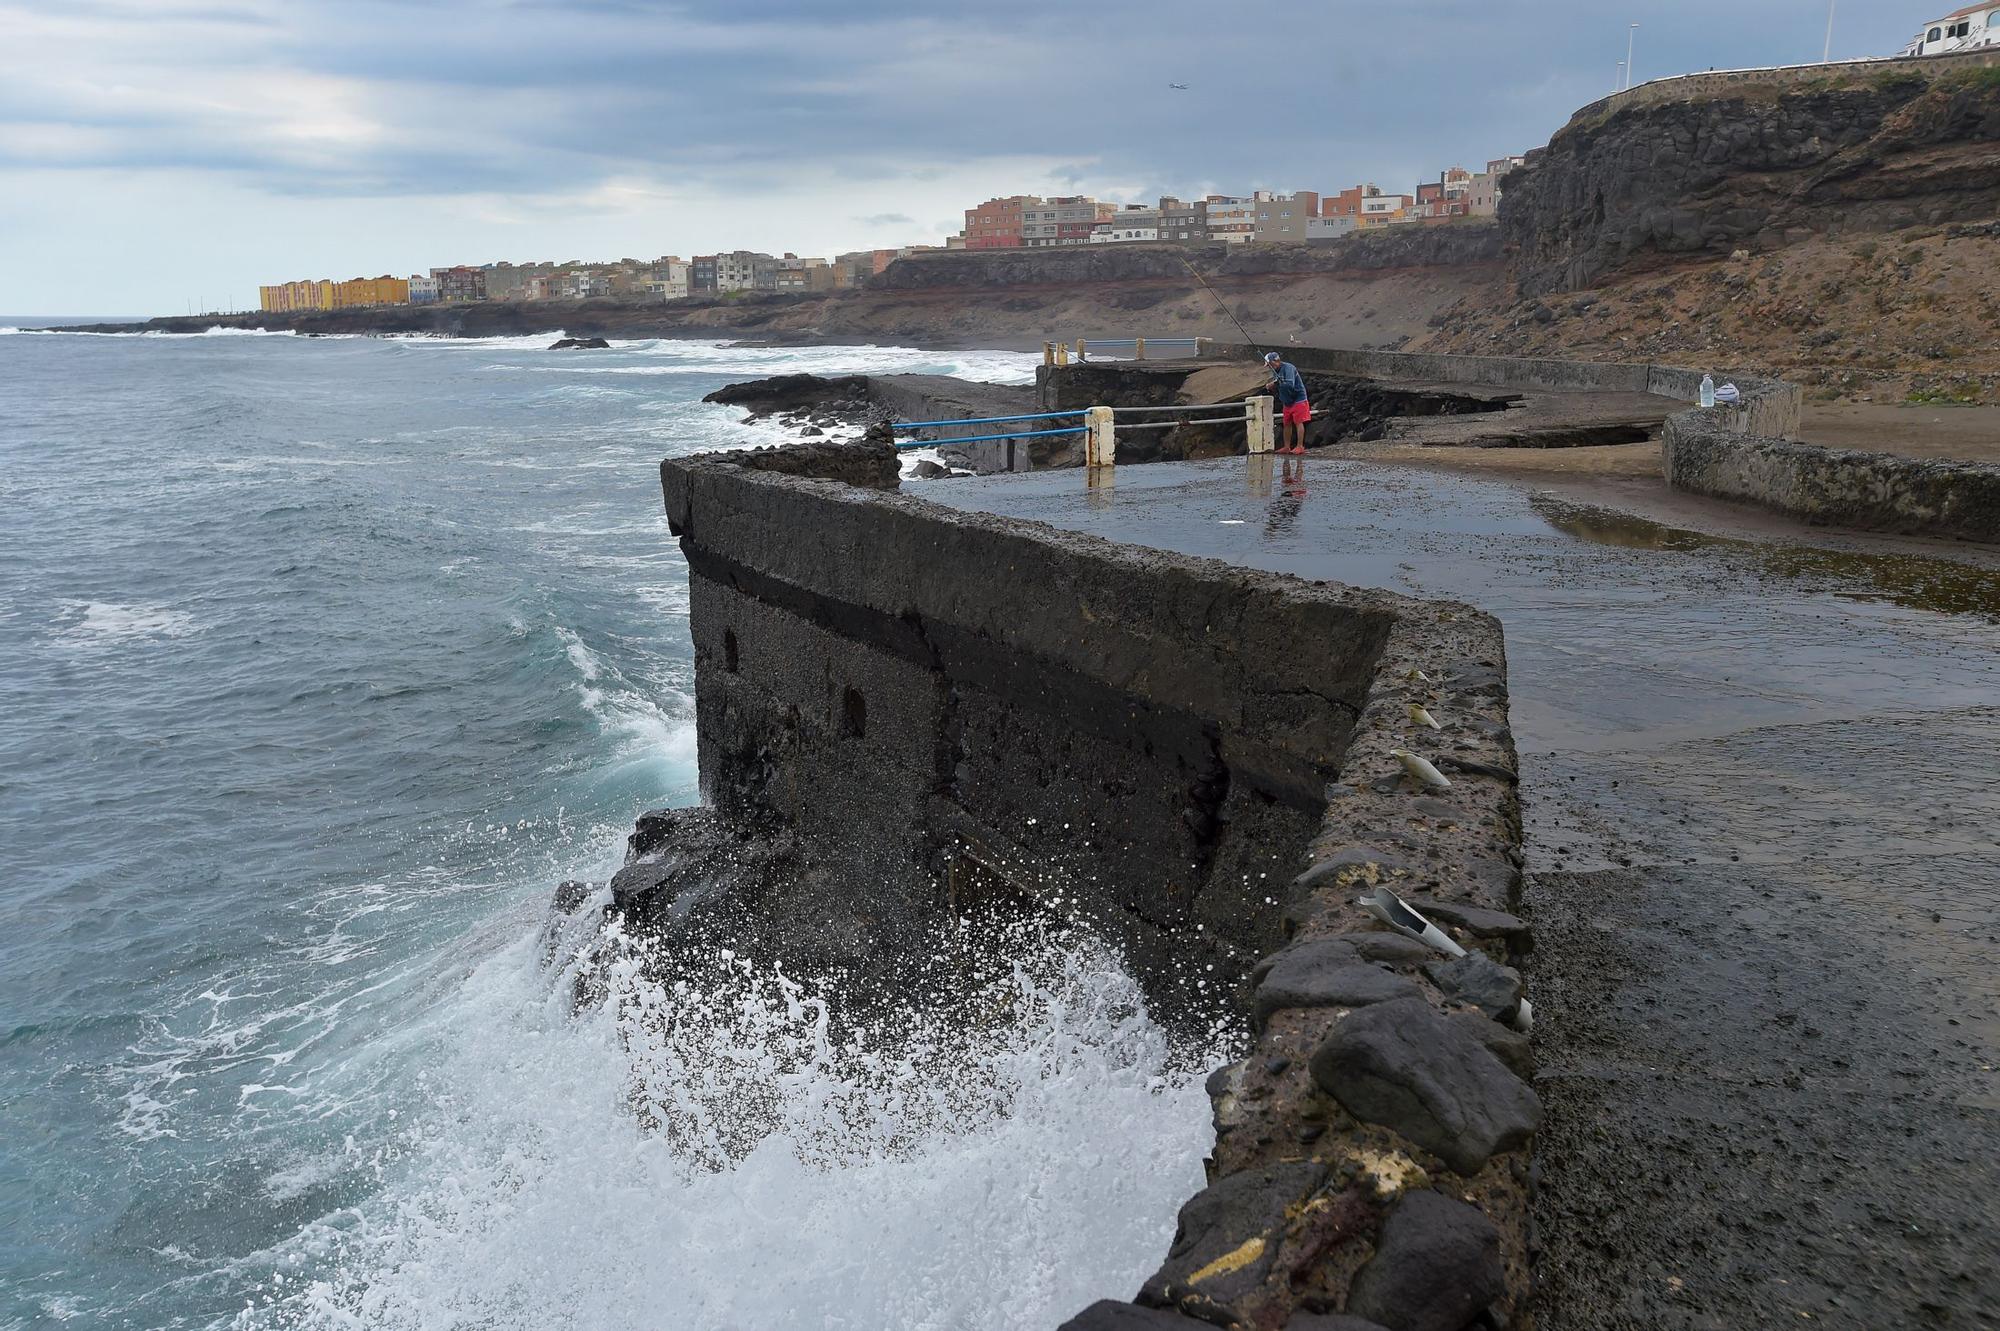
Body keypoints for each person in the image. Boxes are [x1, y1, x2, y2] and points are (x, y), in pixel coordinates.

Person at [1263, 351, 1310, 455]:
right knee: (1287, 423)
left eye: (1269, 365)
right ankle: (1286, 447)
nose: (1269, 367)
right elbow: (1280, 385)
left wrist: (1275, 383)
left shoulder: (1288, 368)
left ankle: (1300, 446)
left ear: (1274, 361)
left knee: (1298, 422)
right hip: (1287, 401)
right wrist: (1273, 385)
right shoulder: (1276, 371)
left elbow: (1289, 384)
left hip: (1298, 399)